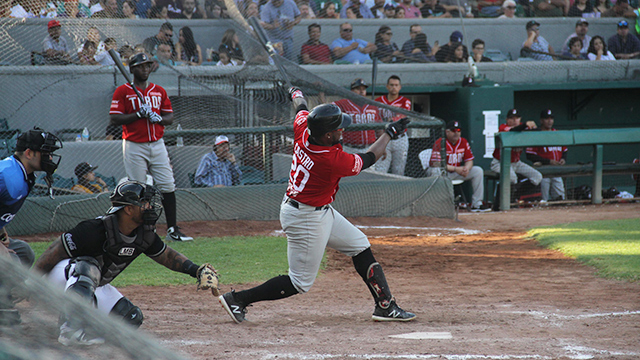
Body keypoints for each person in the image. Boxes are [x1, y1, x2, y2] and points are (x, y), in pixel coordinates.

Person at [218, 87, 415, 324]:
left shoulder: (304, 129)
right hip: (306, 218)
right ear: (328, 136)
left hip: (317, 210)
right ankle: (237, 299)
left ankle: (385, 306)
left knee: (359, 245)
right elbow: (368, 159)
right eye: (338, 128)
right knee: (299, 282)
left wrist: (295, 92)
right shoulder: (329, 159)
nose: (343, 130)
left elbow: (301, 108)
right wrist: (389, 133)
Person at [33, 180, 216, 345]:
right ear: (128, 208)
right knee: (87, 267)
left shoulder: (144, 234)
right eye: (144, 203)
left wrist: (196, 271)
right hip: (62, 279)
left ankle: (88, 327)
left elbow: (166, 255)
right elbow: (53, 251)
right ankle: (69, 329)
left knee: (130, 318)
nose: (150, 207)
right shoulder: (94, 229)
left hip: (93, 284)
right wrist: (28, 281)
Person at [109, 53, 193, 242]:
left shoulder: (159, 91)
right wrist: (138, 114)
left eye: (147, 66)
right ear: (132, 69)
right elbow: (114, 118)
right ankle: (140, 231)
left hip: (157, 144)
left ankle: (172, 229)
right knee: (138, 189)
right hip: (134, 144)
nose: (145, 69)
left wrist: (158, 118)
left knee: (167, 185)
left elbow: (169, 117)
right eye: (140, 66)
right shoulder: (123, 91)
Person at [0, 127, 62, 325]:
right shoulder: (9, 177)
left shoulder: (21, 174)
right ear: (29, 153)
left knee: (24, 253)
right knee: (10, 262)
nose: (50, 158)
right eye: (46, 153)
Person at [429, 121, 490, 212]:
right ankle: (437, 205)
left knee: (478, 171)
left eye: (458, 130)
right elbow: (436, 163)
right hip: (443, 174)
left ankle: (477, 204)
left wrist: (466, 169)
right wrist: (455, 169)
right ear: (447, 132)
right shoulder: (440, 142)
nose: (456, 133)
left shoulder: (463, 142)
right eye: (453, 130)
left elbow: (469, 160)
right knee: (435, 171)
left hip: (456, 173)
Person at [490, 108, 543, 189]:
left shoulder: (522, 127)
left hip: (517, 163)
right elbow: (513, 130)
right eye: (512, 118)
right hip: (500, 163)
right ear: (507, 119)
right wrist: (525, 124)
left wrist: (534, 127)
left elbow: (539, 131)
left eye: (517, 118)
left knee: (537, 176)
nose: (515, 120)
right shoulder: (503, 127)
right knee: (512, 178)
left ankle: (519, 195)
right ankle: (501, 200)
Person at [525, 109, 567, 202]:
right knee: (544, 199)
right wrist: (548, 161)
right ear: (541, 121)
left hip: (557, 169)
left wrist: (563, 158)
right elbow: (530, 154)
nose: (549, 121)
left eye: (551, 118)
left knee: (560, 197)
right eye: (546, 118)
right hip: (543, 170)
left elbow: (564, 150)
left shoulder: (557, 133)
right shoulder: (536, 134)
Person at [374, 75, 411, 176]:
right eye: (391, 85)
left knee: (399, 170)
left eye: (396, 85)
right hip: (384, 138)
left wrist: (391, 120)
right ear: (387, 86)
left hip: (400, 138)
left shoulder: (405, 101)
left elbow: (403, 116)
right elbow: (375, 117)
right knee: (380, 169)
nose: (394, 87)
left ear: (400, 87)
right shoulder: (378, 101)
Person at [333, 79, 382, 153]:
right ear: (351, 91)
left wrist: (381, 146)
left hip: (370, 147)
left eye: (364, 89)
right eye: (358, 89)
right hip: (350, 148)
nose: (361, 91)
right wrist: (321, 93)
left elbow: (379, 129)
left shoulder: (372, 105)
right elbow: (327, 108)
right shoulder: (343, 104)